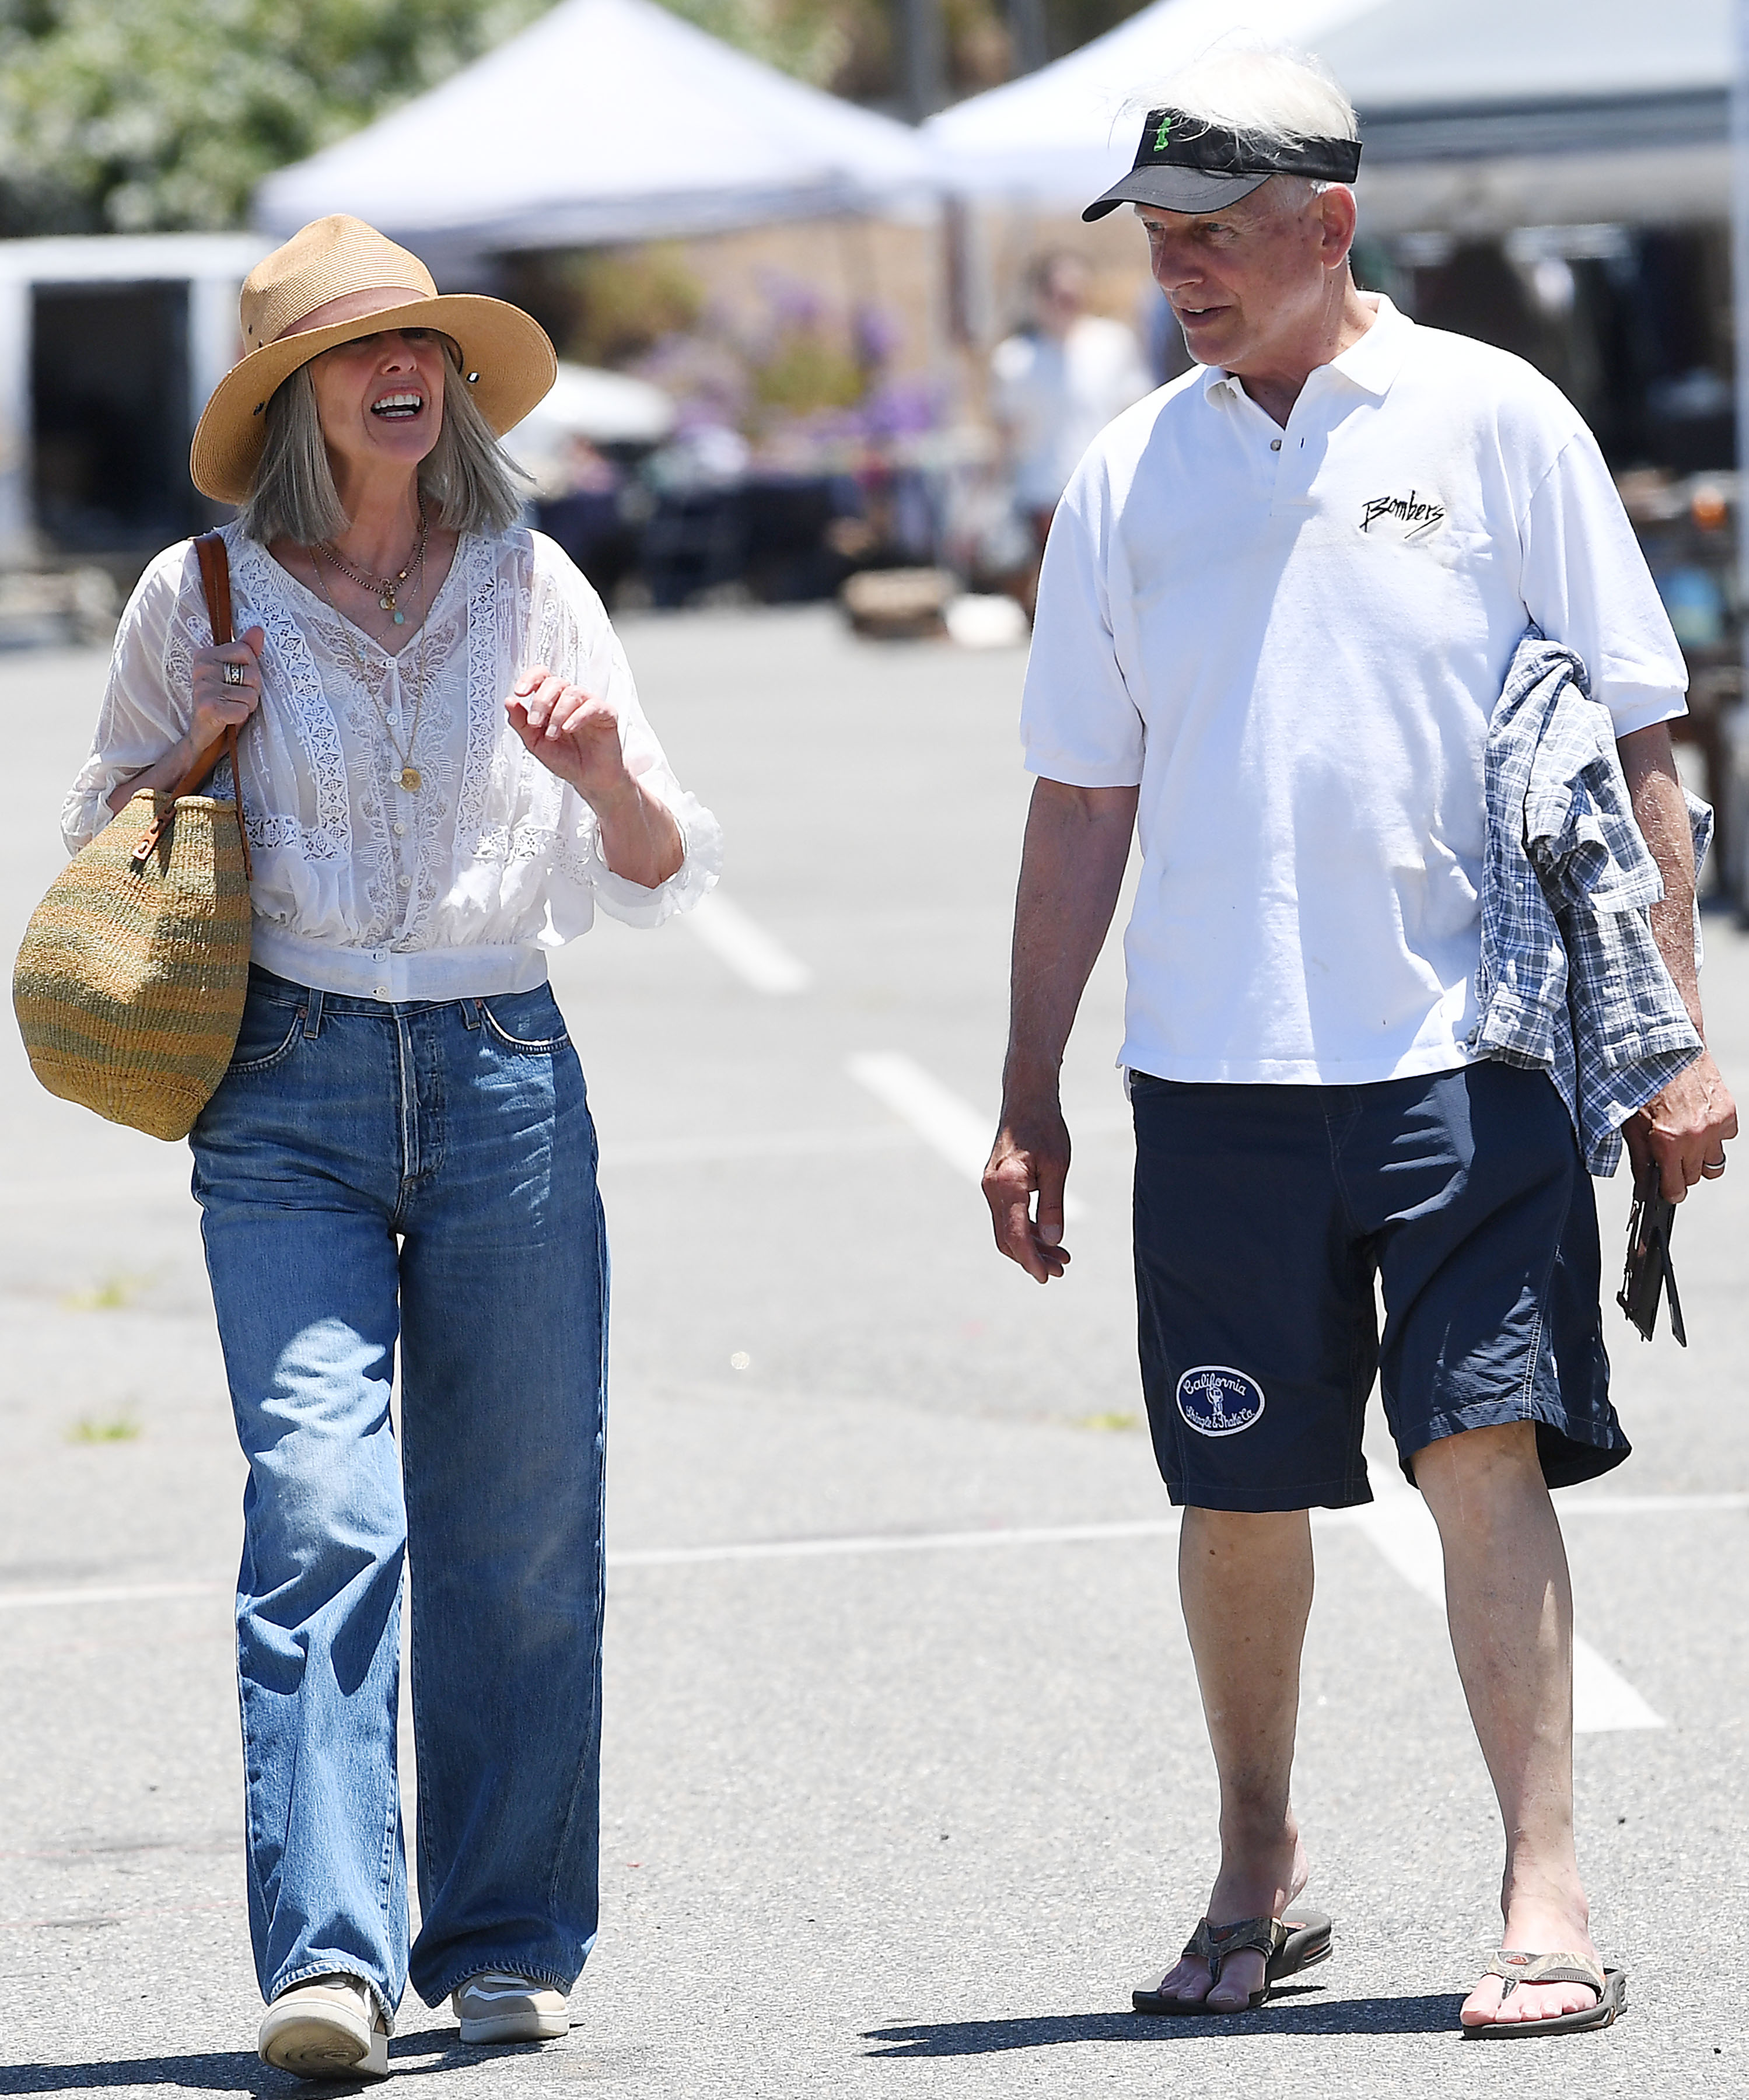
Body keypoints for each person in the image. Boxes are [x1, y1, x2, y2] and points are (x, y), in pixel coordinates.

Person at [980, 46, 1736, 2038]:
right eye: (1156, 242)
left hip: (1465, 1047)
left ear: (1327, 222)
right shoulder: (1126, 475)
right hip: (1212, 1071)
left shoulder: (1490, 421)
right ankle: (1253, 1861)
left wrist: (1669, 1043)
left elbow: (1632, 740)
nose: (1181, 275)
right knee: (1234, 1489)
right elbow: (1076, 799)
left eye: (1217, 234)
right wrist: (1022, 1090)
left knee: (1477, 1454)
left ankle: (1542, 1889)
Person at [62, 215, 720, 2080]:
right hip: (283, 1082)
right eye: (357, 354)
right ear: (296, 399)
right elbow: (100, 847)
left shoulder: (535, 579)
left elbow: (665, 862)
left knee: (516, 1531)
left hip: (507, 1068)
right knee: (326, 1511)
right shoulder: (196, 594)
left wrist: (603, 780)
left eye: (418, 344)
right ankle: (332, 1965)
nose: (399, 371)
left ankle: (507, 1936)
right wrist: (197, 749)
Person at [989, 252, 1152, 614]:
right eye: (1059, 295)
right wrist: (992, 498)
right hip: (1043, 496)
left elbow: (1135, 413)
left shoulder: (1113, 345)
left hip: (1107, 491)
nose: (1069, 304)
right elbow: (1006, 437)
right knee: (1060, 603)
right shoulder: (1014, 360)